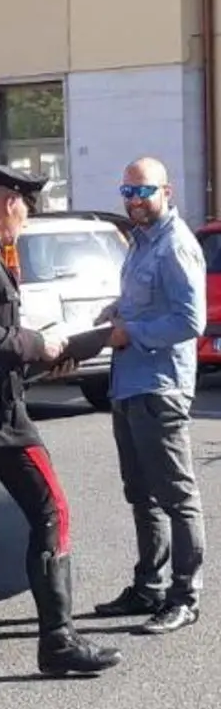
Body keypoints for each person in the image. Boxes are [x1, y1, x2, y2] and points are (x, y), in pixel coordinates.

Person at [0, 161, 122, 679]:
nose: (28, 217)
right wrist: (40, 342)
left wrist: (50, 353)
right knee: (52, 511)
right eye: (26, 207)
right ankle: (58, 641)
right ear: (10, 203)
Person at [93, 157, 207, 633]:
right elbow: (146, 302)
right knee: (141, 493)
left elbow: (190, 322)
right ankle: (149, 586)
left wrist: (131, 331)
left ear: (167, 192)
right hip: (129, 384)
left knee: (176, 495)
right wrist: (117, 308)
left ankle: (185, 595)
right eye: (127, 191)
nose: (134, 200)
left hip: (160, 386)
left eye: (143, 191)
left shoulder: (176, 245)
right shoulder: (140, 242)